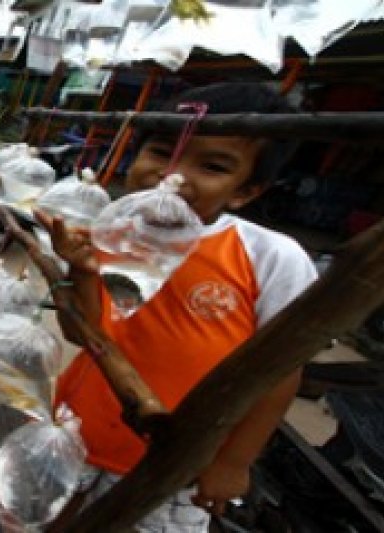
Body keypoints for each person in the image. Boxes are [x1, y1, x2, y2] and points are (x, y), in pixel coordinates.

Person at [36, 82, 318, 531]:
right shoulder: (112, 230)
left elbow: (282, 370)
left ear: (245, 191)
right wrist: (84, 272)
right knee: (50, 520)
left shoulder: (269, 256)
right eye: (161, 152)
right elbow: (86, 334)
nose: (171, 176)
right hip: (78, 428)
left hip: (176, 462)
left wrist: (233, 461)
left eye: (212, 166)